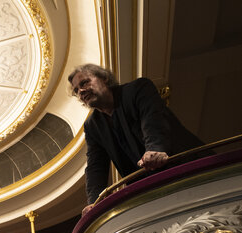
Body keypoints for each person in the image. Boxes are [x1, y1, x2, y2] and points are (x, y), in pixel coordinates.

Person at [69, 64, 203, 216]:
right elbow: (96, 166)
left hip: (187, 168)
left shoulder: (138, 88)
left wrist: (156, 148)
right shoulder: (92, 126)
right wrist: (94, 202)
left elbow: (152, 119)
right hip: (151, 193)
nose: (81, 91)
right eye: (76, 90)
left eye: (84, 82)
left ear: (104, 78)